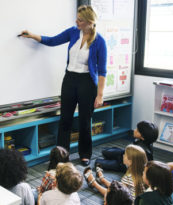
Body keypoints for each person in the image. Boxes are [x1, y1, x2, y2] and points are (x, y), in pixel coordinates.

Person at [20, 5, 107, 166]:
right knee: (65, 119)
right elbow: (52, 41)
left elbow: (102, 71)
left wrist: (100, 95)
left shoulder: (100, 41)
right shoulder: (73, 32)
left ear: (89, 22)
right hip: (70, 79)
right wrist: (32, 35)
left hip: (87, 83)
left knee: (84, 121)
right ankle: (62, 154)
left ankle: (85, 153)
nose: (76, 21)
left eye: (80, 20)